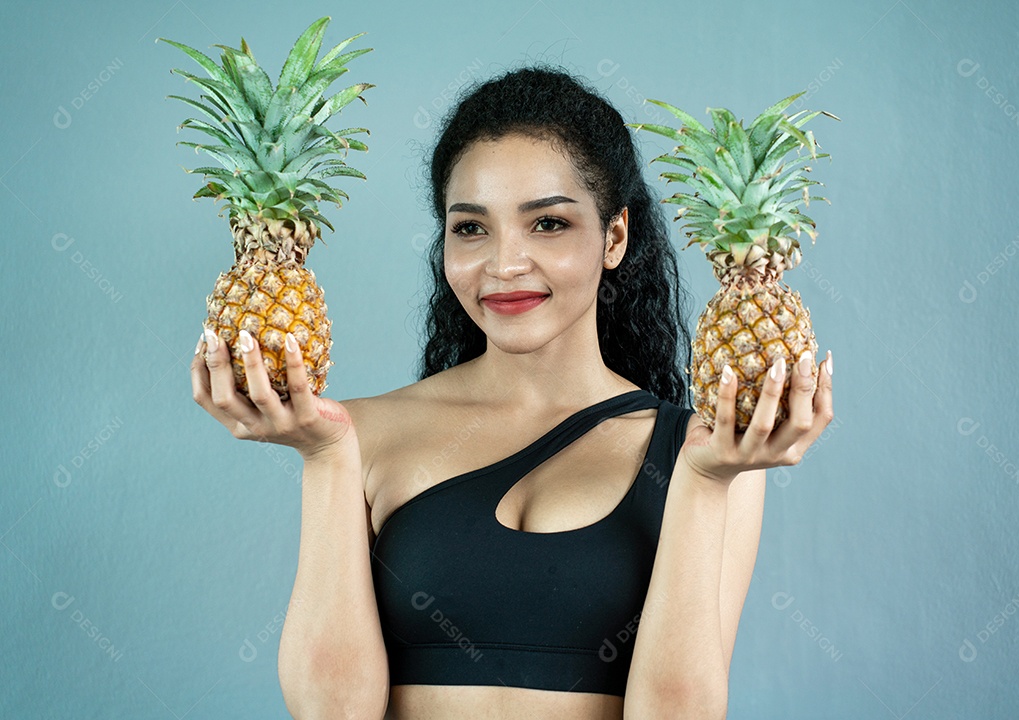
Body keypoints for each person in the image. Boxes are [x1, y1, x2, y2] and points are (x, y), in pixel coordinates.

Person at [191, 64, 834, 720]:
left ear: (614, 236)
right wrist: (326, 459)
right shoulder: (357, 435)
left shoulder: (707, 454)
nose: (504, 264)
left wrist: (703, 482)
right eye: (472, 228)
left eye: (548, 223)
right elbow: (334, 713)